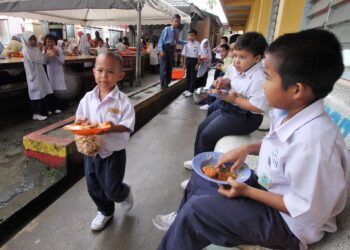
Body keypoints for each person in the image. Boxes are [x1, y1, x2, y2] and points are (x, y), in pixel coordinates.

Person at [153, 29, 349, 250]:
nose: (263, 85)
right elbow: (281, 148)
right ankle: (182, 220)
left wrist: (247, 192)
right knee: (203, 176)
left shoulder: (315, 143)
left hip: (288, 225)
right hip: (271, 190)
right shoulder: (289, 111)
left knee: (197, 212)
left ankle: (185, 223)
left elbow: (305, 208)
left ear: (296, 90)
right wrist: (248, 148)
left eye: (268, 78)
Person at [180, 32, 268, 188]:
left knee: (207, 136)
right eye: (235, 56)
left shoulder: (258, 77)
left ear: (257, 58)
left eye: (242, 57)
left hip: (246, 117)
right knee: (202, 128)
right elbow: (230, 80)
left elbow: (258, 107)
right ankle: (198, 163)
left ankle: (200, 180)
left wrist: (235, 99)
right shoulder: (236, 68)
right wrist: (223, 81)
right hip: (230, 108)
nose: (236, 61)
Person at [75, 52, 135, 231]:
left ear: (120, 75)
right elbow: (80, 119)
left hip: (113, 153)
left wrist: (110, 127)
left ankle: (123, 192)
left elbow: (127, 125)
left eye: (110, 72)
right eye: (100, 70)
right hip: (91, 152)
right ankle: (105, 211)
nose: (104, 76)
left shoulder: (123, 101)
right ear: (94, 72)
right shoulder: (87, 98)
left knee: (112, 189)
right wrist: (82, 123)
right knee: (93, 186)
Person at [21, 31, 52, 121]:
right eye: (31, 39)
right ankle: (36, 113)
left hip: (39, 72)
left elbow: (41, 59)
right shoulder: (26, 49)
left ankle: (44, 111)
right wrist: (40, 49)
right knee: (36, 92)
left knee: (42, 90)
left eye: (34, 39)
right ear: (26, 40)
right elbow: (36, 59)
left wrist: (40, 49)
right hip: (33, 74)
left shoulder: (35, 49)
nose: (33, 41)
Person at [158, 14, 185, 89]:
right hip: (165, 48)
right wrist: (161, 50)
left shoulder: (177, 31)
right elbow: (160, 40)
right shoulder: (166, 29)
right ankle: (162, 83)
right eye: (175, 21)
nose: (177, 23)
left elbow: (177, 41)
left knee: (170, 66)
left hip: (171, 49)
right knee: (164, 66)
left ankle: (167, 82)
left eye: (178, 22)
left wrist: (186, 42)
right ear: (172, 21)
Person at [43, 34, 67, 114]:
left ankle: (61, 106)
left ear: (55, 42)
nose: (50, 43)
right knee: (52, 89)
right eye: (48, 41)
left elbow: (62, 61)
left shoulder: (58, 49)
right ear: (45, 42)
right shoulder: (45, 50)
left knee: (60, 88)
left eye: (52, 41)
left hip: (58, 72)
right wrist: (45, 54)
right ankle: (52, 107)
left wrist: (57, 55)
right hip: (50, 72)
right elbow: (44, 62)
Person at [181, 29, 200, 97]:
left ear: (195, 36)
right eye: (190, 35)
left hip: (194, 61)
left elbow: (199, 55)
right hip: (188, 60)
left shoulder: (198, 44)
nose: (191, 37)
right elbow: (184, 55)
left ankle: (191, 90)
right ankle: (187, 89)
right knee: (188, 76)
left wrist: (198, 63)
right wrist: (184, 64)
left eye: (193, 35)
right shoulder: (186, 44)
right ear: (188, 36)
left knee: (193, 76)